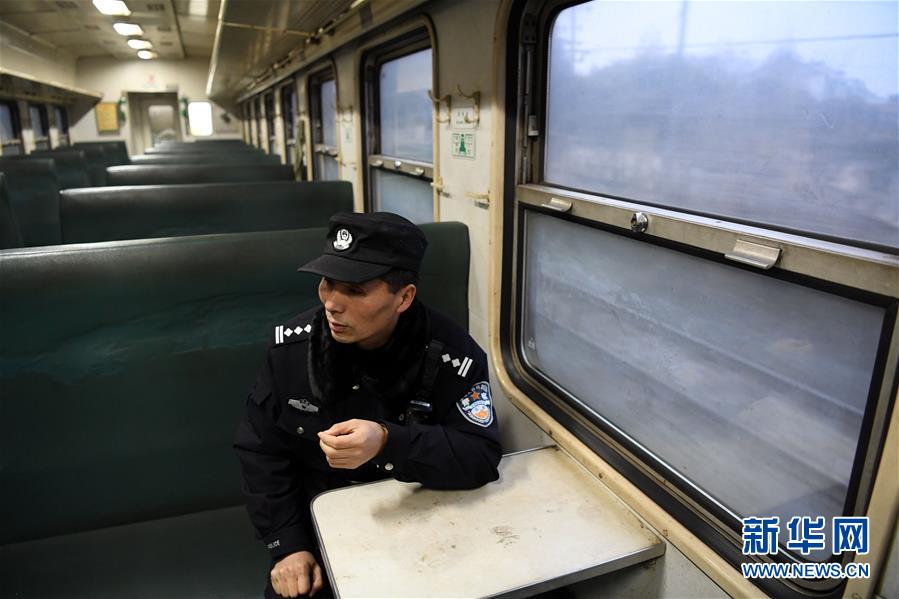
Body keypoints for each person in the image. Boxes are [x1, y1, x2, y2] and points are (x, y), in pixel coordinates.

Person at [234, 212, 502, 598]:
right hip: (317, 520)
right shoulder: (291, 350)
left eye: (355, 291)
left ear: (404, 297)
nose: (332, 304)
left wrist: (389, 443)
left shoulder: (452, 357)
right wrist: (288, 544)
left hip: (419, 510)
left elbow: (479, 456)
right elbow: (261, 450)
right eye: (327, 284)